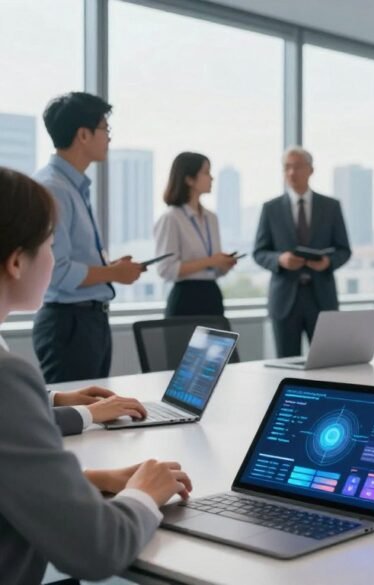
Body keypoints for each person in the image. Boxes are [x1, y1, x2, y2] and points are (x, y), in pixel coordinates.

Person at [0, 167, 192, 582]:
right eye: (50, 246)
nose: (53, 260)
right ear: (17, 261)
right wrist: (145, 494)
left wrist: (89, 480)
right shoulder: (5, 377)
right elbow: (99, 550)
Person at [32, 92, 145, 383]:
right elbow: (57, 272)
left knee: (93, 416)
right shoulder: (53, 189)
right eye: (105, 130)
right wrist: (113, 273)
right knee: (74, 421)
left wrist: (110, 268)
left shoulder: (73, 186)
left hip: (87, 321)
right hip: (69, 325)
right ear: (83, 135)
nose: (108, 138)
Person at [253, 146, 352, 358]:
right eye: (286, 167)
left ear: (311, 170)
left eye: (297, 167)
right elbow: (259, 252)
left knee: (327, 363)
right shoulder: (270, 208)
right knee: (286, 365)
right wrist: (280, 259)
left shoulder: (330, 207)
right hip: (285, 300)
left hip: (321, 298)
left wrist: (327, 262)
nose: (291, 173)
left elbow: (344, 249)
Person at [154, 152, 237, 317]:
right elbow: (166, 269)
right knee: (182, 343)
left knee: (217, 343)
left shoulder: (211, 218)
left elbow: (213, 268)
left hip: (212, 295)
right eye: (206, 172)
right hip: (186, 299)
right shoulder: (171, 218)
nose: (211, 178)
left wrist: (223, 264)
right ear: (189, 179)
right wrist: (211, 261)